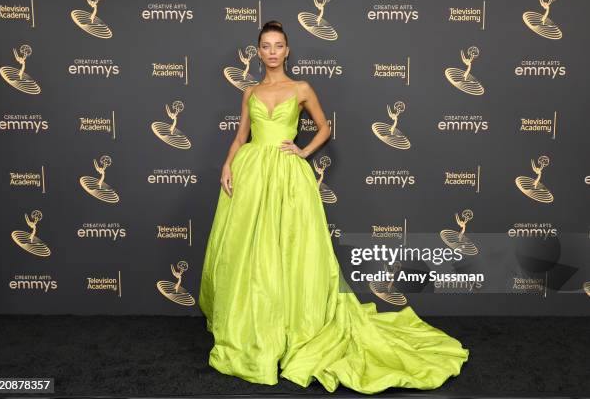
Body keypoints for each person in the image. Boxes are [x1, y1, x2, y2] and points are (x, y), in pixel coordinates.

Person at [199, 20, 469, 394]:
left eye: (279, 45)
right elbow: (240, 136)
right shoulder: (250, 92)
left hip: (289, 177)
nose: (273, 51)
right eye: (266, 45)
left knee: (293, 249)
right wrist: (228, 164)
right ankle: (256, 326)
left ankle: (295, 325)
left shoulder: (302, 88)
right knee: (251, 251)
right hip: (251, 174)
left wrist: (303, 151)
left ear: (287, 51)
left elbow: (324, 128)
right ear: (257, 52)